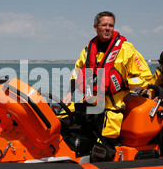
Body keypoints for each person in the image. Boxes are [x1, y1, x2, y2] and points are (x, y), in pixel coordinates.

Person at [63, 11, 152, 161]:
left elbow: (145, 78)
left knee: (102, 151)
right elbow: (77, 73)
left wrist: (124, 84)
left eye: (111, 25)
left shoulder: (126, 49)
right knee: (63, 127)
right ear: (95, 27)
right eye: (104, 25)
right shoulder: (87, 51)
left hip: (112, 111)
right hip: (88, 104)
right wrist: (68, 93)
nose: (107, 28)